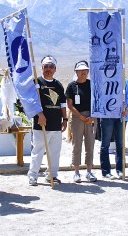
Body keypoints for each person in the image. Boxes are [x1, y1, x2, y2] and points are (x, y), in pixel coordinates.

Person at [28, 55, 68, 186]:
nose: (48, 69)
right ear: (42, 68)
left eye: (51, 67)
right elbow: (32, 101)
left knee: (54, 152)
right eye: (46, 66)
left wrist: (65, 119)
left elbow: (62, 104)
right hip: (41, 124)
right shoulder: (36, 83)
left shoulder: (58, 85)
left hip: (56, 124)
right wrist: (40, 114)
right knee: (38, 151)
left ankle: (52, 175)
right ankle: (33, 175)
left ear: (55, 69)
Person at [65, 60, 96, 183]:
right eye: (81, 70)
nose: (83, 72)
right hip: (77, 118)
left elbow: (96, 101)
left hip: (91, 117)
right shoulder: (72, 86)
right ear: (76, 72)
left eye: (85, 70)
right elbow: (70, 105)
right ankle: (76, 172)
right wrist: (80, 117)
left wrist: (92, 117)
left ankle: (89, 171)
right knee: (77, 145)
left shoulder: (93, 85)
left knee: (90, 145)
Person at [99, 78, 128, 179]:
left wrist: (126, 110)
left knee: (120, 144)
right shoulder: (104, 80)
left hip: (121, 116)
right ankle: (106, 171)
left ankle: (120, 170)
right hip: (107, 115)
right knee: (105, 143)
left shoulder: (124, 81)